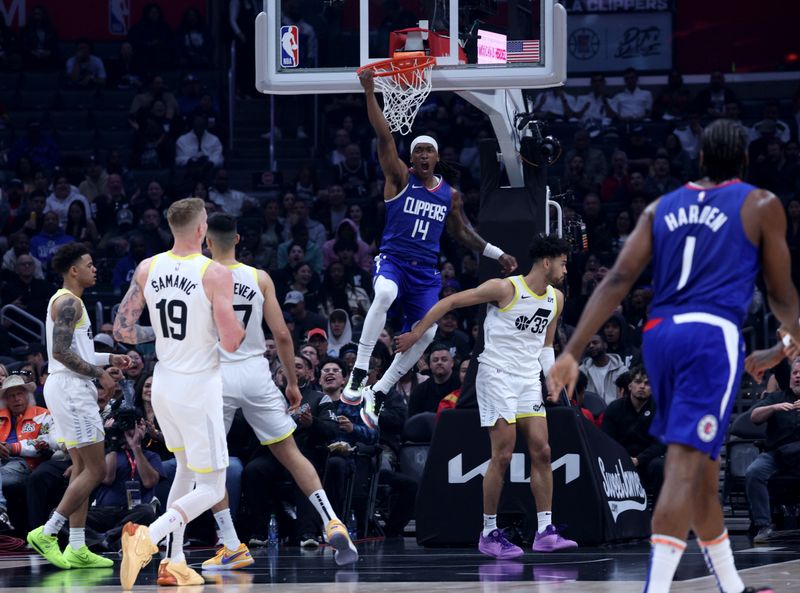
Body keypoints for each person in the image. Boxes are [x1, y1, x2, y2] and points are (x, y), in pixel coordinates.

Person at [547, 119, 800, 593]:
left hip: (660, 336)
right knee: (684, 469)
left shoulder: (661, 206)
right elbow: (782, 295)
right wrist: (788, 341)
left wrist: (572, 350)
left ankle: (731, 584)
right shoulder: (760, 203)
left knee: (702, 470)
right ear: (744, 162)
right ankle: (655, 588)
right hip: (710, 336)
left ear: (700, 161)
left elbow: (618, 280)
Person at [344, 69, 517, 409]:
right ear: (411, 158)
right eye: (418, 150)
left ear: (437, 158)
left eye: (428, 151)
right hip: (393, 261)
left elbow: (462, 232)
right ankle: (361, 370)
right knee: (384, 293)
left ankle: (381, 391)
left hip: (425, 272)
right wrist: (369, 93)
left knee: (430, 333)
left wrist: (497, 254)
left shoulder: (449, 195)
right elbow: (384, 139)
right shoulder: (398, 178)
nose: (423, 155)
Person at [397, 235, 577, 556]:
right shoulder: (505, 288)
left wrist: (553, 379)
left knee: (543, 451)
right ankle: (489, 533)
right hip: (496, 375)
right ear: (547, 262)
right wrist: (416, 333)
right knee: (503, 455)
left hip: (526, 379)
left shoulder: (556, 299)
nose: (566, 269)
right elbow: (450, 302)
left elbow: (547, 345)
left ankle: (545, 531)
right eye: (562, 263)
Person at [202, 213, 357, 568]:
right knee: (290, 453)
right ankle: (331, 519)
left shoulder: (200, 276)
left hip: (218, 374)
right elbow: (283, 336)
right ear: (238, 239)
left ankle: (231, 544)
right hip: (256, 371)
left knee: (211, 464)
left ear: (208, 242)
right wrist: (290, 382)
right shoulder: (260, 278)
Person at [112, 198, 245, 589]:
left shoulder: (147, 267)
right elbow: (233, 340)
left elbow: (122, 330)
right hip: (198, 387)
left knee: (186, 472)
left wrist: (162, 335)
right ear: (202, 229)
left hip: (164, 384)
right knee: (212, 486)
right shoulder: (215, 272)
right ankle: (148, 538)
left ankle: (174, 561)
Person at [27, 243, 132, 570]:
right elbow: (59, 352)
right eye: (89, 264)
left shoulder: (71, 302)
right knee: (97, 470)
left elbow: (77, 350)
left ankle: (75, 546)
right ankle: (48, 531)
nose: (94, 269)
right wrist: (100, 374)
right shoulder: (69, 302)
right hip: (71, 388)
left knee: (83, 470)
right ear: (74, 270)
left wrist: (108, 358)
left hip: (67, 386)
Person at [745, 357, 800, 544]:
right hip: (778, 454)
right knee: (754, 471)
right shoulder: (777, 397)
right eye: (795, 373)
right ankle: (764, 525)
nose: (797, 377)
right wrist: (773, 408)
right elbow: (754, 417)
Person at [601, 365, 665, 502]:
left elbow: (660, 444)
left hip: (647, 460)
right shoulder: (614, 408)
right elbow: (606, 440)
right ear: (630, 386)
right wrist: (624, 458)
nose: (642, 386)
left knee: (660, 466)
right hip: (619, 459)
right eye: (638, 382)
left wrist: (639, 460)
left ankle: (657, 515)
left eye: (647, 384)